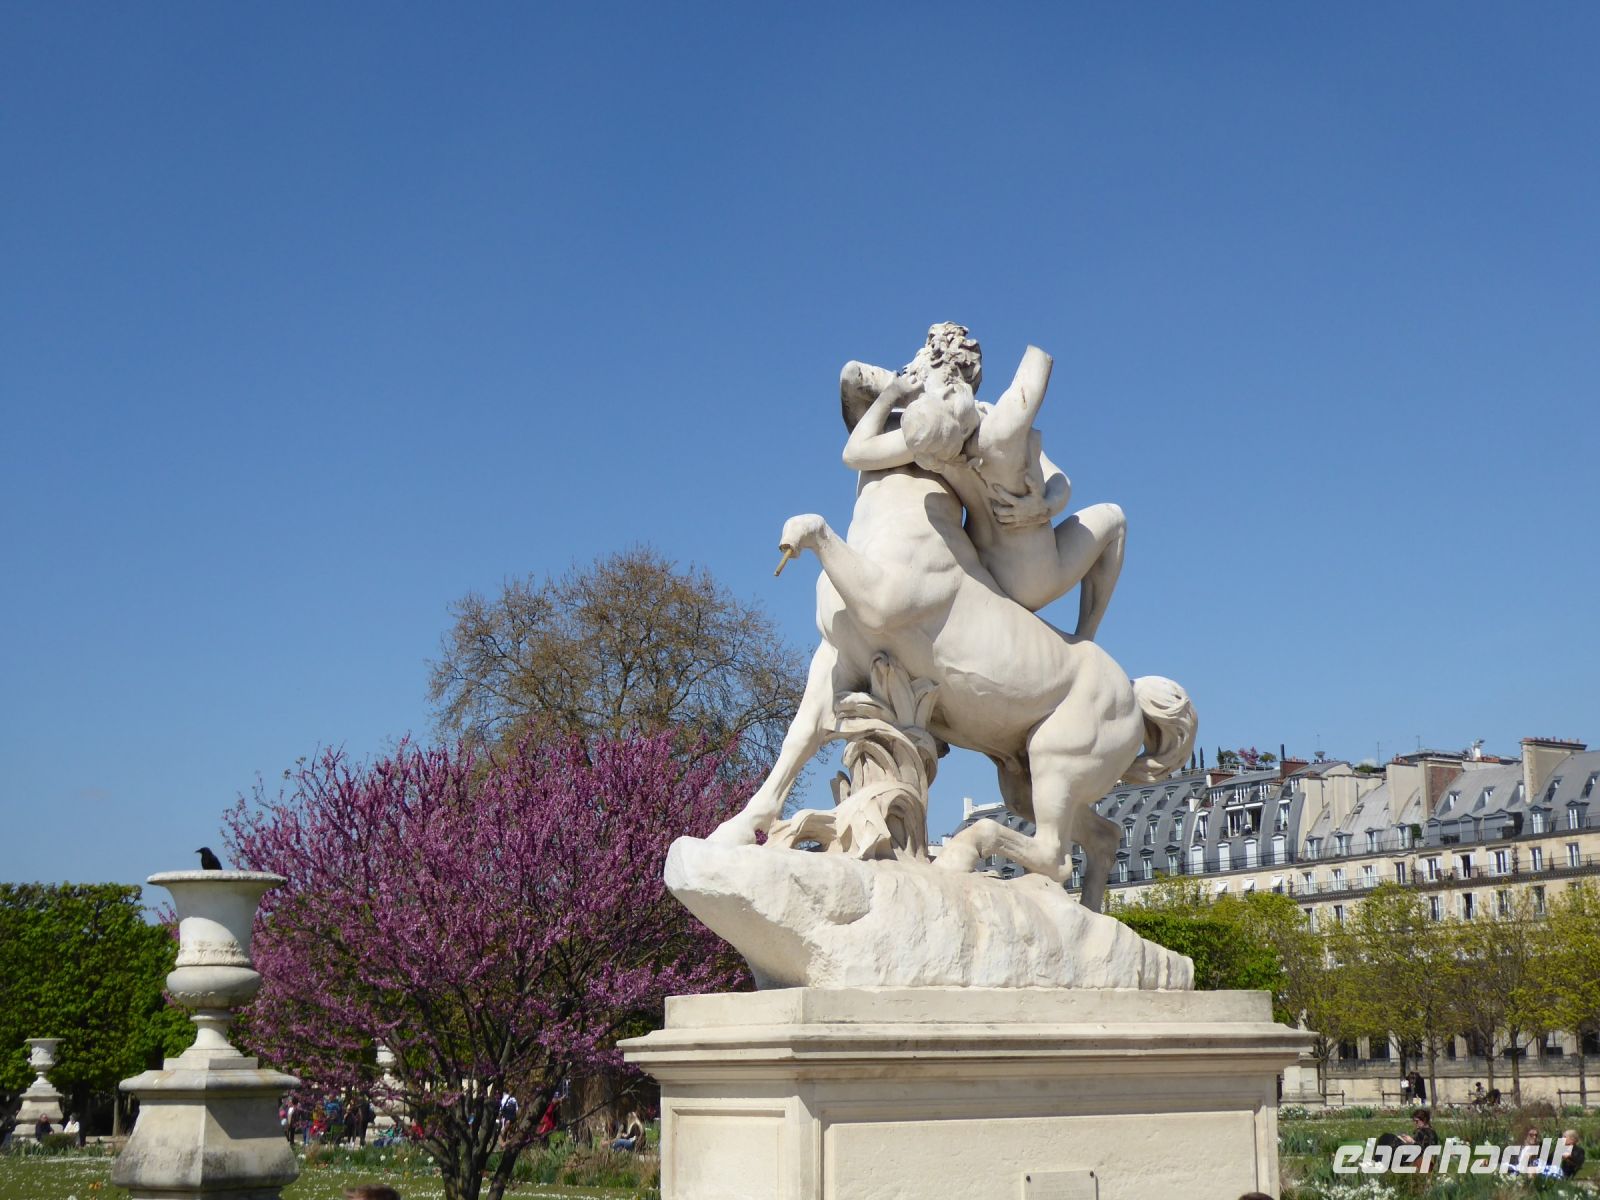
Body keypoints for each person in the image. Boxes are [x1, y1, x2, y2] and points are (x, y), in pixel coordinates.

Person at [840, 323, 1127, 640]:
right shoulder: (978, 421)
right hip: (1032, 572)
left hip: (993, 570)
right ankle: (1085, 636)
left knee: (1115, 518)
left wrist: (893, 391)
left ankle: (1085, 638)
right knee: (1114, 517)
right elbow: (1061, 480)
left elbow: (855, 450)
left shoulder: (933, 437)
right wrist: (1044, 506)